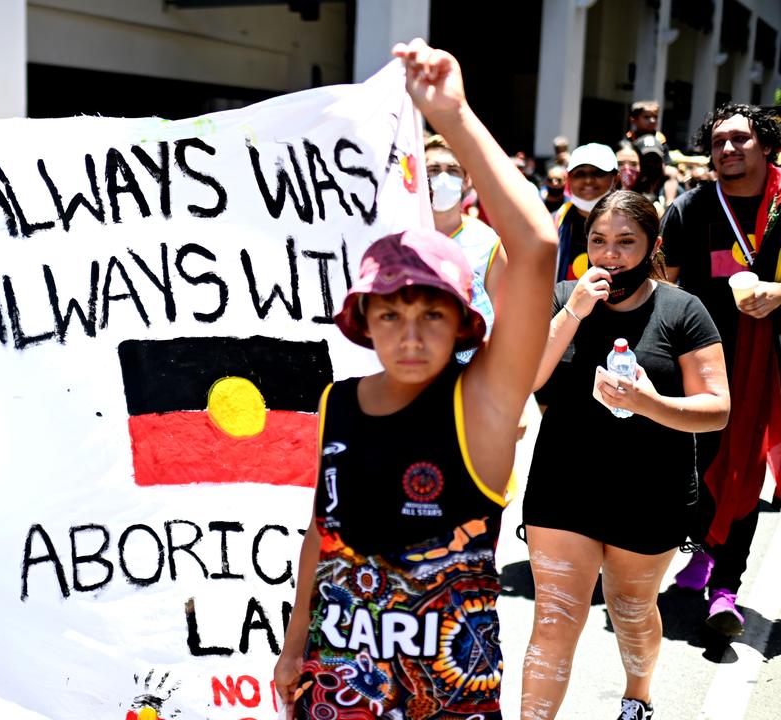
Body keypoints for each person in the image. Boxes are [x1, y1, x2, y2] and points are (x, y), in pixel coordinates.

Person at [274, 39, 558, 719]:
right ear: (363, 320)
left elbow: (538, 248)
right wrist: (293, 649)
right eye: (392, 311)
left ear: (463, 324)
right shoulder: (335, 402)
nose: (410, 332)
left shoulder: (481, 405)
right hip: (338, 686)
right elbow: (323, 530)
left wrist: (453, 118)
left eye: (432, 313)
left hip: (448, 697)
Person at [521, 190, 729, 720]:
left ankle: (638, 696)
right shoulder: (564, 297)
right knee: (555, 617)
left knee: (632, 611)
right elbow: (525, 378)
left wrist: (648, 403)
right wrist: (572, 312)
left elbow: (717, 408)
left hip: (650, 491)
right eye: (598, 241)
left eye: (625, 243)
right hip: (563, 486)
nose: (609, 256)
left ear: (653, 246)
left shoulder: (683, 310)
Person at [661, 103, 781, 637]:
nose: (727, 150)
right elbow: (664, 285)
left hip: (774, 366)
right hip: (708, 366)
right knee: (707, 464)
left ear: (767, 145)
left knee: (749, 468)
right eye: (717, 143)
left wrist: (779, 292)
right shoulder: (690, 208)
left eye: (740, 140)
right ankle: (709, 556)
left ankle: (725, 583)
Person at [425, 133, 506, 362]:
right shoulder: (399, 236)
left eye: (452, 170)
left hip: (468, 375)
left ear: (467, 179)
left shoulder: (488, 242)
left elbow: (501, 324)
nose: (442, 178)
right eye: (433, 170)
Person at [555, 144, 618, 281]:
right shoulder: (552, 223)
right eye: (580, 174)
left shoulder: (632, 224)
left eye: (598, 173)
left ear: (616, 178)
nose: (588, 180)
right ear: (569, 179)